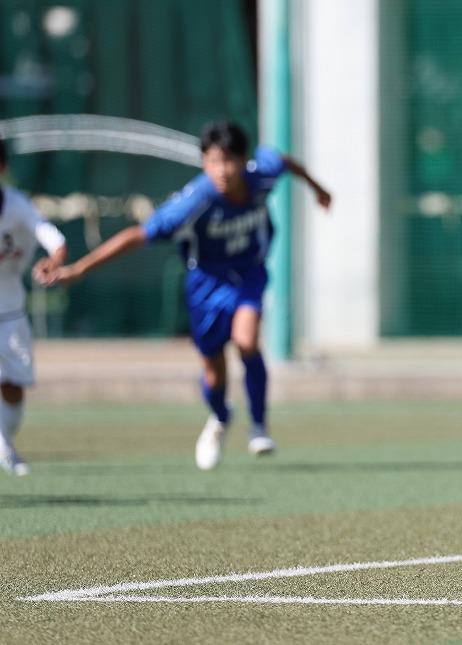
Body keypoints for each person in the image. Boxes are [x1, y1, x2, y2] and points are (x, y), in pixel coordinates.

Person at [45, 121, 331, 470]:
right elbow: (138, 235)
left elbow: (284, 161)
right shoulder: (195, 201)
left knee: (247, 341)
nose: (222, 170)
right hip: (206, 285)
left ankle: (258, 426)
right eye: (213, 161)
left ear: (243, 160)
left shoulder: (261, 176)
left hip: (248, 275)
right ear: (204, 163)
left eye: (229, 161)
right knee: (213, 373)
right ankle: (220, 417)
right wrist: (80, 268)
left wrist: (318, 188)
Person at [0, 137, 68, 476]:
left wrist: (53, 262)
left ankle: (4, 443)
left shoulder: (16, 205)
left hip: (10, 309)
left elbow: (54, 240)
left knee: (14, 387)